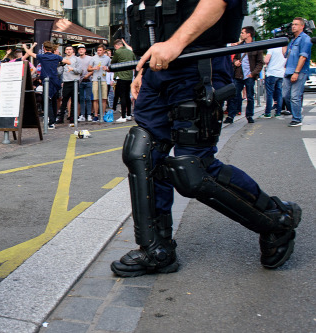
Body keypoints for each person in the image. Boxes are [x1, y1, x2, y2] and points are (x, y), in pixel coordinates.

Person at [110, 0, 301, 278]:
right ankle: (156, 249)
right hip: (157, 69)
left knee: (193, 166)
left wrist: (176, 43)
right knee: (144, 154)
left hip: (197, 62)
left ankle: (276, 220)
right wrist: (143, 70)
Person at [23, 41, 71, 129]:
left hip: (47, 81)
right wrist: (58, 63)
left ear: (44, 48)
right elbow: (68, 62)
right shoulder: (56, 57)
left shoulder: (42, 56)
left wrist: (25, 47)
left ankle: (51, 122)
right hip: (55, 81)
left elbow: (29, 53)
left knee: (47, 101)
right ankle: (53, 119)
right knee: (53, 100)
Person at [224, 26, 264, 124]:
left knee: (250, 97)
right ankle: (231, 116)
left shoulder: (257, 47)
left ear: (248, 34)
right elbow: (234, 58)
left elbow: (260, 62)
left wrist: (253, 74)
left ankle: (249, 115)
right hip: (238, 75)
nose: (241, 34)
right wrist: (235, 61)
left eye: (243, 33)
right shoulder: (240, 45)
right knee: (234, 96)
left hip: (249, 75)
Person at [282, 17, 313, 127]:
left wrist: (296, 72)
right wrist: (283, 40)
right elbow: (285, 54)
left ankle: (297, 118)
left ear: (302, 26)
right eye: (292, 24)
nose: (293, 26)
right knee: (285, 96)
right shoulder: (293, 40)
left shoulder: (305, 39)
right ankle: (296, 111)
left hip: (299, 72)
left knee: (295, 96)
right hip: (288, 71)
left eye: (296, 24)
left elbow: (303, 57)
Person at [111, 39, 134, 122]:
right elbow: (134, 60)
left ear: (117, 46)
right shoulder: (130, 52)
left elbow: (113, 62)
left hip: (121, 76)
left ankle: (123, 116)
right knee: (127, 96)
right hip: (129, 76)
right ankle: (128, 115)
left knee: (122, 96)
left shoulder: (118, 52)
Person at [58, 45, 81, 124]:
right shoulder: (63, 59)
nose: (68, 51)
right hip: (66, 82)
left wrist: (73, 69)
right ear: (65, 51)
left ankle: (72, 117)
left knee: (74, 101)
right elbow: (59, 72)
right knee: (64, 101)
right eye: (67, 49)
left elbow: (80, 70)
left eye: (70, 49)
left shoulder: (76, 59)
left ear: (73, 51)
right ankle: (61, 118)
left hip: (74, 82)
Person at [88, 44, 111, 121]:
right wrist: (94, 68)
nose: (99, 52)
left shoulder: (107, 58)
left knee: (104, 98)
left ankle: (103, 114)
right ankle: (95, 114)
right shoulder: (93, 58)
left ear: (104, 51)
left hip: (104, 80)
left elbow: (111, 68)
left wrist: (107, 68)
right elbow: (88, 68)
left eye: (100, 50)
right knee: (95, 98)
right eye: (98, 50)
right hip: (95, 79)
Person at [262, 46, 286, 118]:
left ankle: (267, 112)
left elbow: (266, 60)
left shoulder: (272, 48)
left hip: (271, 73)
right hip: (281, 73)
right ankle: (278, 112)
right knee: (279, 93)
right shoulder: (285, 49)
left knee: (269, 94)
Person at [76, 45, 93, 121]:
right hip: (80, 81)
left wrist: (87, 75)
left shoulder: (90, 58)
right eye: (79, 49)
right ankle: (82, 114)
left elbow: (93, 68)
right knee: (81, 98)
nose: (81, 51)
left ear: (85, 50)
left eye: (82, 49)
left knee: (88, 98)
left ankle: (89, 114)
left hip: (88, 80)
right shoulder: (76, 59)